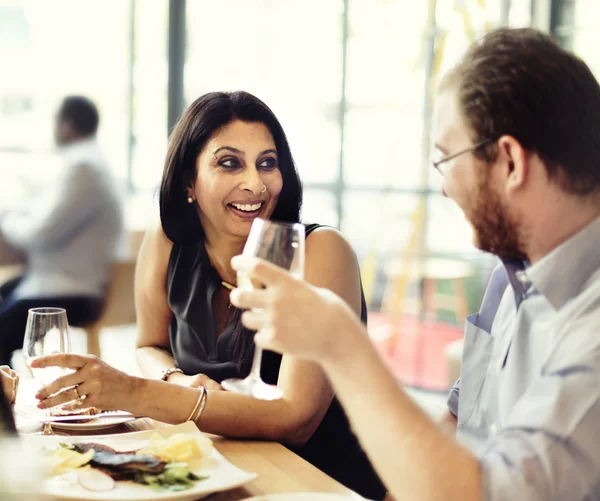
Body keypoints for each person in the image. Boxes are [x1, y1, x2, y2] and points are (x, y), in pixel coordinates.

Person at [223, 28, 600, 501]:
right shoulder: (511, 277)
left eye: (447, 159)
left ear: (509, 161)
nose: (443, 187)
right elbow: (463, 426)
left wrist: (341, 344)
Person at [33, 91, 386, 500]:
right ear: (188, 182)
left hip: (318, 480)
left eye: (267, 163)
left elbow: (295, 418)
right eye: (229, 162)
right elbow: (150, 345)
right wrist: (176, 379)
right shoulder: (167, 241)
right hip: (219, 465)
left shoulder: (324, 251)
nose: (255, 183)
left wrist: (136, 392)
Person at [0, 96, 123, 365]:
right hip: (64, 280)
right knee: (5, 293)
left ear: (67, 126)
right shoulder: (90, 162)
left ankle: (5, 401)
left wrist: (7, 220)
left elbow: (41, 233)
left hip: (71, 291)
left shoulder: (84, 168)